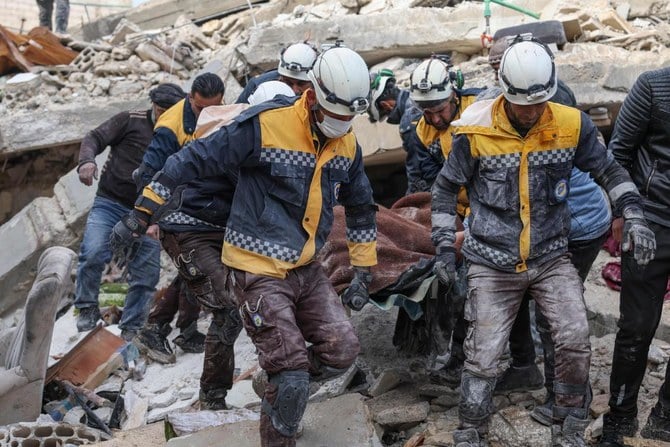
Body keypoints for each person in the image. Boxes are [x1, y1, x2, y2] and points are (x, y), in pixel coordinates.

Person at [114, 44, 376, 446]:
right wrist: (142, 211)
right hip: (256, 268)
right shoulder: (265, 126)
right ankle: (277, 415)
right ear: (314, 94)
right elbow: (189, 161)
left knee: (342, 350)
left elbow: (359, 206)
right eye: (335, 114)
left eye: (349, 117)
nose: (342, 124)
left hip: (304, 267)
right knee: (289, 371)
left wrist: (363, 269)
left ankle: (276, 387)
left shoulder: (347, 146)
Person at [431, 37, 655, 447]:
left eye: (540, 103)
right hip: (491, 260)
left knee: (573, 338)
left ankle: (567, 425)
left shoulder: (571, 124)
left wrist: (633, 213)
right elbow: (445, 190)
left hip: (552, 256)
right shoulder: (475, 130)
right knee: (483, 353)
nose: (533, 112)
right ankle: (471, 429)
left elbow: (610, 171)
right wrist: (445, 244)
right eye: (523, 104)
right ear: (505, 93)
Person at [116, 80, 297, 411]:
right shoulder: (231, 136)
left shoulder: (280, 138)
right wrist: (145, 214)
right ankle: (212, 397)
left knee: (247, 296)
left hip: (225, 226)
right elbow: (158, 170)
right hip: (189, 228)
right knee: (227, 309)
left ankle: (269, 372)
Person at [478, 36, 613, 427]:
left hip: (576, 222)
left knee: (552, 314)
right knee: (522, 295)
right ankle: (529, 369)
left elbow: (518, 188)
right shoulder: (500, 103)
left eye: (497, 64)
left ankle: (569, 399)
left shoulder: (556, 106)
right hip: (550, 221)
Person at [74, 83, 186, 340]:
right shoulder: (130, 121)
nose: (164, 116)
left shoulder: (181, 134)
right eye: (161, 110)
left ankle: (132, 330)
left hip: (149, 212)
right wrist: (87, 161)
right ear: (153, 106)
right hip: (111, 203)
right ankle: (86, 310)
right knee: (92, 253)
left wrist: (160, 218)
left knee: (147, 273)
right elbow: (94, 137)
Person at [599, 67, 670, 447]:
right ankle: (620, 417)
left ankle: (666, 418)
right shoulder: (654, 86)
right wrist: (624, 213)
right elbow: (618, 154)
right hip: (650, 218)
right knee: (637, 328)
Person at [408, 56, 483, 195]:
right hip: (455, 206)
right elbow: (433, 178)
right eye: (428, 113)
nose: (435, 120)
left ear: (453, 95)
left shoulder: (479, 107)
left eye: (441, 110)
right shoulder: (421, 131)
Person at [367, 69, 425, 195]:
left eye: (386, 114)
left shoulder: (408, 120)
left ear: (385, 105)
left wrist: (411, 199)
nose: (389, 117)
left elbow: (418, 167)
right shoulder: (417, 99)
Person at [235, 41, 318, 103]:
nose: (295, 90)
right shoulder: (258, 84)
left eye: (301, 84)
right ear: (280, 77)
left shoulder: (324, 90)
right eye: (288, 83)